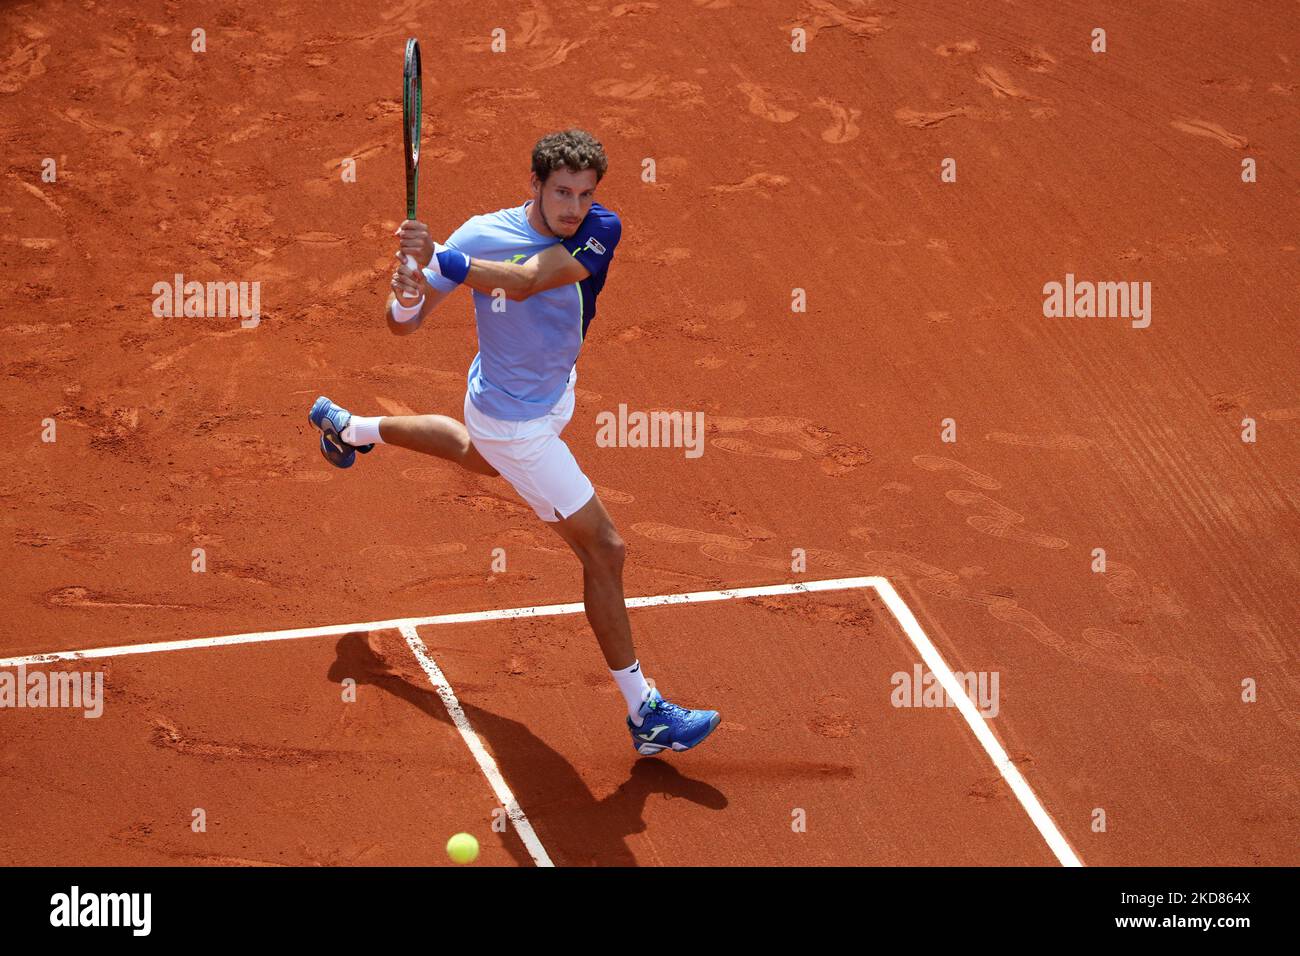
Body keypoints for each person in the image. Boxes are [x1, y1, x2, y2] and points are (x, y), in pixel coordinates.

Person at [309, 129, 720, 756]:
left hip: (550, 395)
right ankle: (646, 712)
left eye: (584, 193)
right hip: (514, 420)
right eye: (561, 192)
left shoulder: (598, 228)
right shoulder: (479, 235)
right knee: (605, 550)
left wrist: (441, 259)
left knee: (480, 457)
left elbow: (528, 281)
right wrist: (407, 290)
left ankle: (352, 429)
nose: (574, 207)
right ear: (533, 185)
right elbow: (404, 325)